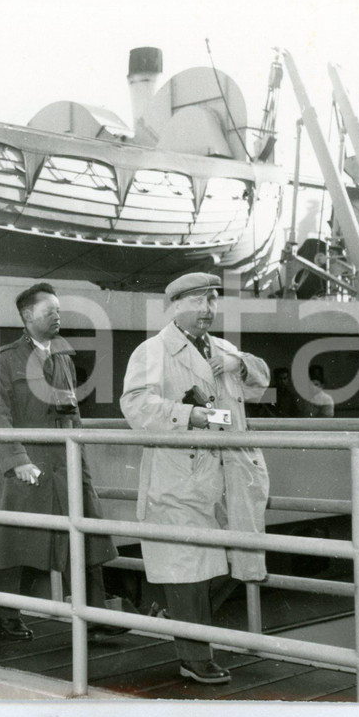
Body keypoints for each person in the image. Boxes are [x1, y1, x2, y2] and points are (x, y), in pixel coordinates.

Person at [120, 272, 271, 685]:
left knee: (231, 561)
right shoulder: (153, 351)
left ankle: (177, 617)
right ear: (175, 307)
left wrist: (241, 363)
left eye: (212, 300)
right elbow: (134, 405)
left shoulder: (224, 349)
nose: (207, 309)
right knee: (189, 568)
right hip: (181, 472)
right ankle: (194, 656)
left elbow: (262, 384)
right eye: (198, 301)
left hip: (229, 474)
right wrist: (189, 415)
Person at [0, 282, 127, 642]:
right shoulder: (2, 358)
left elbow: (73, 417)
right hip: (24, 466)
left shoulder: (64, 358)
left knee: (84, 539)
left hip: (64, 464)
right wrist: (17, 461)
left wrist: (81, 461)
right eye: (49, 311)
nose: (57, 316)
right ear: (27, 317)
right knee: (12, 547)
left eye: (59, 310)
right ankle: (7, 616)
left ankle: (94, 614)